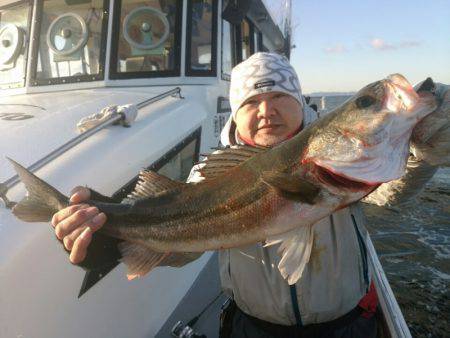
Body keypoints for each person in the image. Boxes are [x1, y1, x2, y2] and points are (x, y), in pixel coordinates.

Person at [51, 52, 444, 337]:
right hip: (251, 328)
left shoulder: (347, 170)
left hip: (348, 325)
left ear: (301, 103)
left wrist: (425, 153)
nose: (266, 111)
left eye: (279, 98)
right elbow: (183, 251)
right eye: (251, 102)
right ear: (236, 113)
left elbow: (391, 194)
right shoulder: (208, 172)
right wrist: (103, 234)